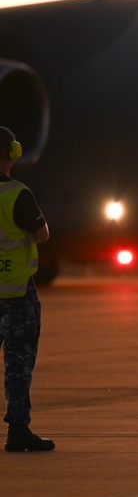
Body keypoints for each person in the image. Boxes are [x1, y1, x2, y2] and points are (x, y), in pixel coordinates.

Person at [0, 126, 55, 452]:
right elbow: (42, 234)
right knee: (18, 366)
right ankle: (17, 429)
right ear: (13, 153)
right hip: (17, 295)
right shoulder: (16, 193)